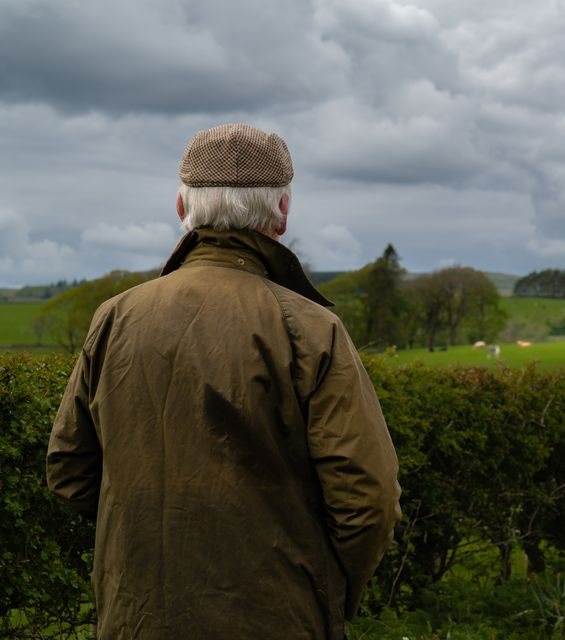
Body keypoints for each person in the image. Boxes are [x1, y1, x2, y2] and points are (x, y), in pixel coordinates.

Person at [46, 123, 402, 639]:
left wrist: (140, 544)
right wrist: (328, 592)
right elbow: (368, 499)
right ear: (282, 213)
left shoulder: (115, 317)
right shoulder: (311, 329)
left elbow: (69, 470)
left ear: (181, 207)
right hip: (279, 618)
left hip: (135, 617)